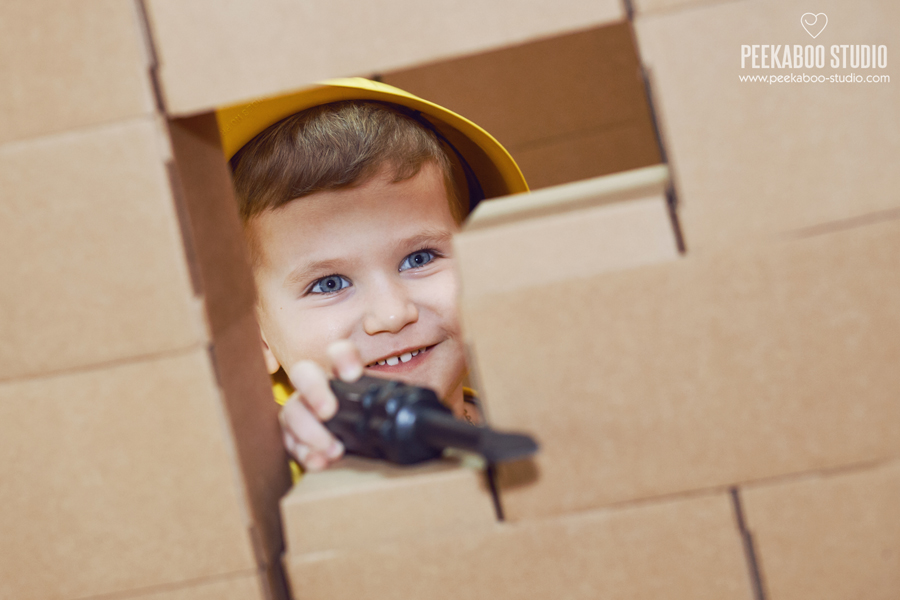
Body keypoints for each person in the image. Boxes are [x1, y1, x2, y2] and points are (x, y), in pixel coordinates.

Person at [217, 78, 527, 474]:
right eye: (329, 283)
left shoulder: (542, 417)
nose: (392, 314)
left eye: (419, 258)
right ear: (252, 336)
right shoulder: (276, 480)